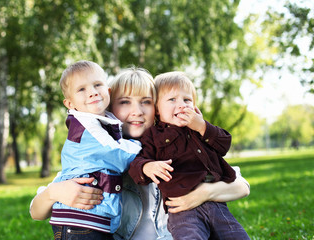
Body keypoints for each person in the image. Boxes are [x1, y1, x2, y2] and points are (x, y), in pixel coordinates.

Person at [30, 67, 250, 240]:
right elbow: (35, 212)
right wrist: (54, 193)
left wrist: (202, 194)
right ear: (109, 107)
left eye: (146, 102)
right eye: (125, 102)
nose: (137, 111)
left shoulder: (176, 147)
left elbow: (241, 186)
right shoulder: (102, 154)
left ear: (157, 108)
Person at [128, 71, 250, 240]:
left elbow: (224, 144)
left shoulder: (200, 129)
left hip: (216, 205)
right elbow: (137, 163)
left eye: (187, 100)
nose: (182, 105)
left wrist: (202, 126)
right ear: (156, 109)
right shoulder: (153, 135)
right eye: (172, 100)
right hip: (182, 210)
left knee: (236, 236)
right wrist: (146, 166)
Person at [49, 60, 142, 239]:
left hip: (90, 219)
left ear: (108, 91)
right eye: (81, 89)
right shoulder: (86, 128)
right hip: (80, 220)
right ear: (69, 104)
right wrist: (144, 148)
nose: (92, 92)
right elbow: (117, 154)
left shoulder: (101, 121)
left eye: (97, 84)